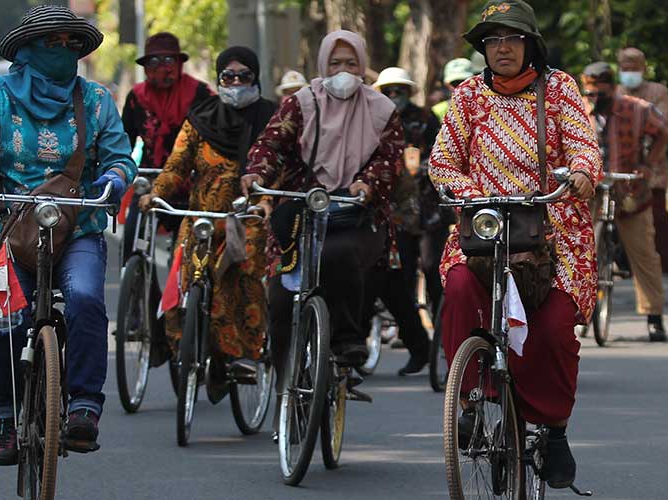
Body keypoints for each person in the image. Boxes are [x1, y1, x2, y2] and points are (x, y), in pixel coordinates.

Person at [0, 5, 136, 465]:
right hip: (12, 227)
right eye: (52, 43)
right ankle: (2, 417)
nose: (63, 51)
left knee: (88, 300)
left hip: (80, 225)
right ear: (28, 50)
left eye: (70, 44)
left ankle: (84, 407)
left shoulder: (95, 99)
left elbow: (118, 156)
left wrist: (114, 178)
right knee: (4, 319)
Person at [430, 0, 601, 489]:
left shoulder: (560, 88)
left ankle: (554, 430)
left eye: (511, 38)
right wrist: (474, 197)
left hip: (553, 226)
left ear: (529, 43)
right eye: (491, 41)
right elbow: (444, 161)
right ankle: (466, 399)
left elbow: (584, 146)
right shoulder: (467, 96)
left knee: (552, 328)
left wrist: (584, 174)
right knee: (460, 286)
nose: (501, 48)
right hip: (485, 223)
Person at [241, 30, 401, 378]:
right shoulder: (300, 102)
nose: (342, 70)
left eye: (350, 63)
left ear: (363, 66)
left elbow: (390, 160)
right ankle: (288, 387)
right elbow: (272, 144)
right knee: (282, 300)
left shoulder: (382, 109)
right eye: (335, 63)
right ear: (322, 64)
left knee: (337, 255)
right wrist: (257, 174)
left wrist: (367, 184)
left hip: (358, 214)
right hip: (301, 209)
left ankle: (346, 340)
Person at [138, 46, 276, 401]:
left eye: (243, 76)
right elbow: (177, 165)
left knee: (241, 271)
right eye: (227, 77)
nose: (235, 83)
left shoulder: (272, 119)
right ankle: (187, 351)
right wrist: (156, 193)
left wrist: (266, 203)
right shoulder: (201, 118)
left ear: (255, 77)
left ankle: (240, 356)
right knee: (183, 280)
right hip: (203, 217)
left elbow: (283, 168)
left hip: (249, 218)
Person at [581, 61, 668, 341]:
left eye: (601, 93)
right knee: (581, 251)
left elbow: (663, 131)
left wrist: (649, 164)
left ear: (612, 87)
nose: (595, 99)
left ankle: (654, 317)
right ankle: (582, 311)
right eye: (591, 93)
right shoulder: (579, 110)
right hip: (591, 190)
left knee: (643, 253)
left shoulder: (636, 108)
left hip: (630, 188)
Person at [366, 66, 437, 374]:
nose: (394, 97)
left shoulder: (425, 119)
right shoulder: (370, 120)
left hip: (425, 208)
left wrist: (424, 167)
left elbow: (443, 153)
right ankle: (352, 347)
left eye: (400, 91)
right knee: (394, 278)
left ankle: (439, 343)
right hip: (383, 211)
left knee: (432, 270)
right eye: (389, 91)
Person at [120, 32, 211, 264]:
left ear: (179, 63)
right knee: (131, 242)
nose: (162, 68)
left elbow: (213, 140)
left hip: (190, 182)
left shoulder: (200, 94)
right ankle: (141, 290)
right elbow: (123, 142)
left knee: (188, 255)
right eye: (153, 62)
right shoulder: (136, 97)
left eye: (169, 61)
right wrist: (118, 170)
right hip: (151, 180)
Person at [617, 47, 668, 304]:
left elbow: (660, 127)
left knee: (660, 226)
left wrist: (643, 160)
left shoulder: (658, 92)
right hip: (619, 174)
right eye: (624, 65)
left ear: (644, 67)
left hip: (650, 173)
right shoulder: (615, 93)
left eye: (634, 65)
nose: (629, 70)